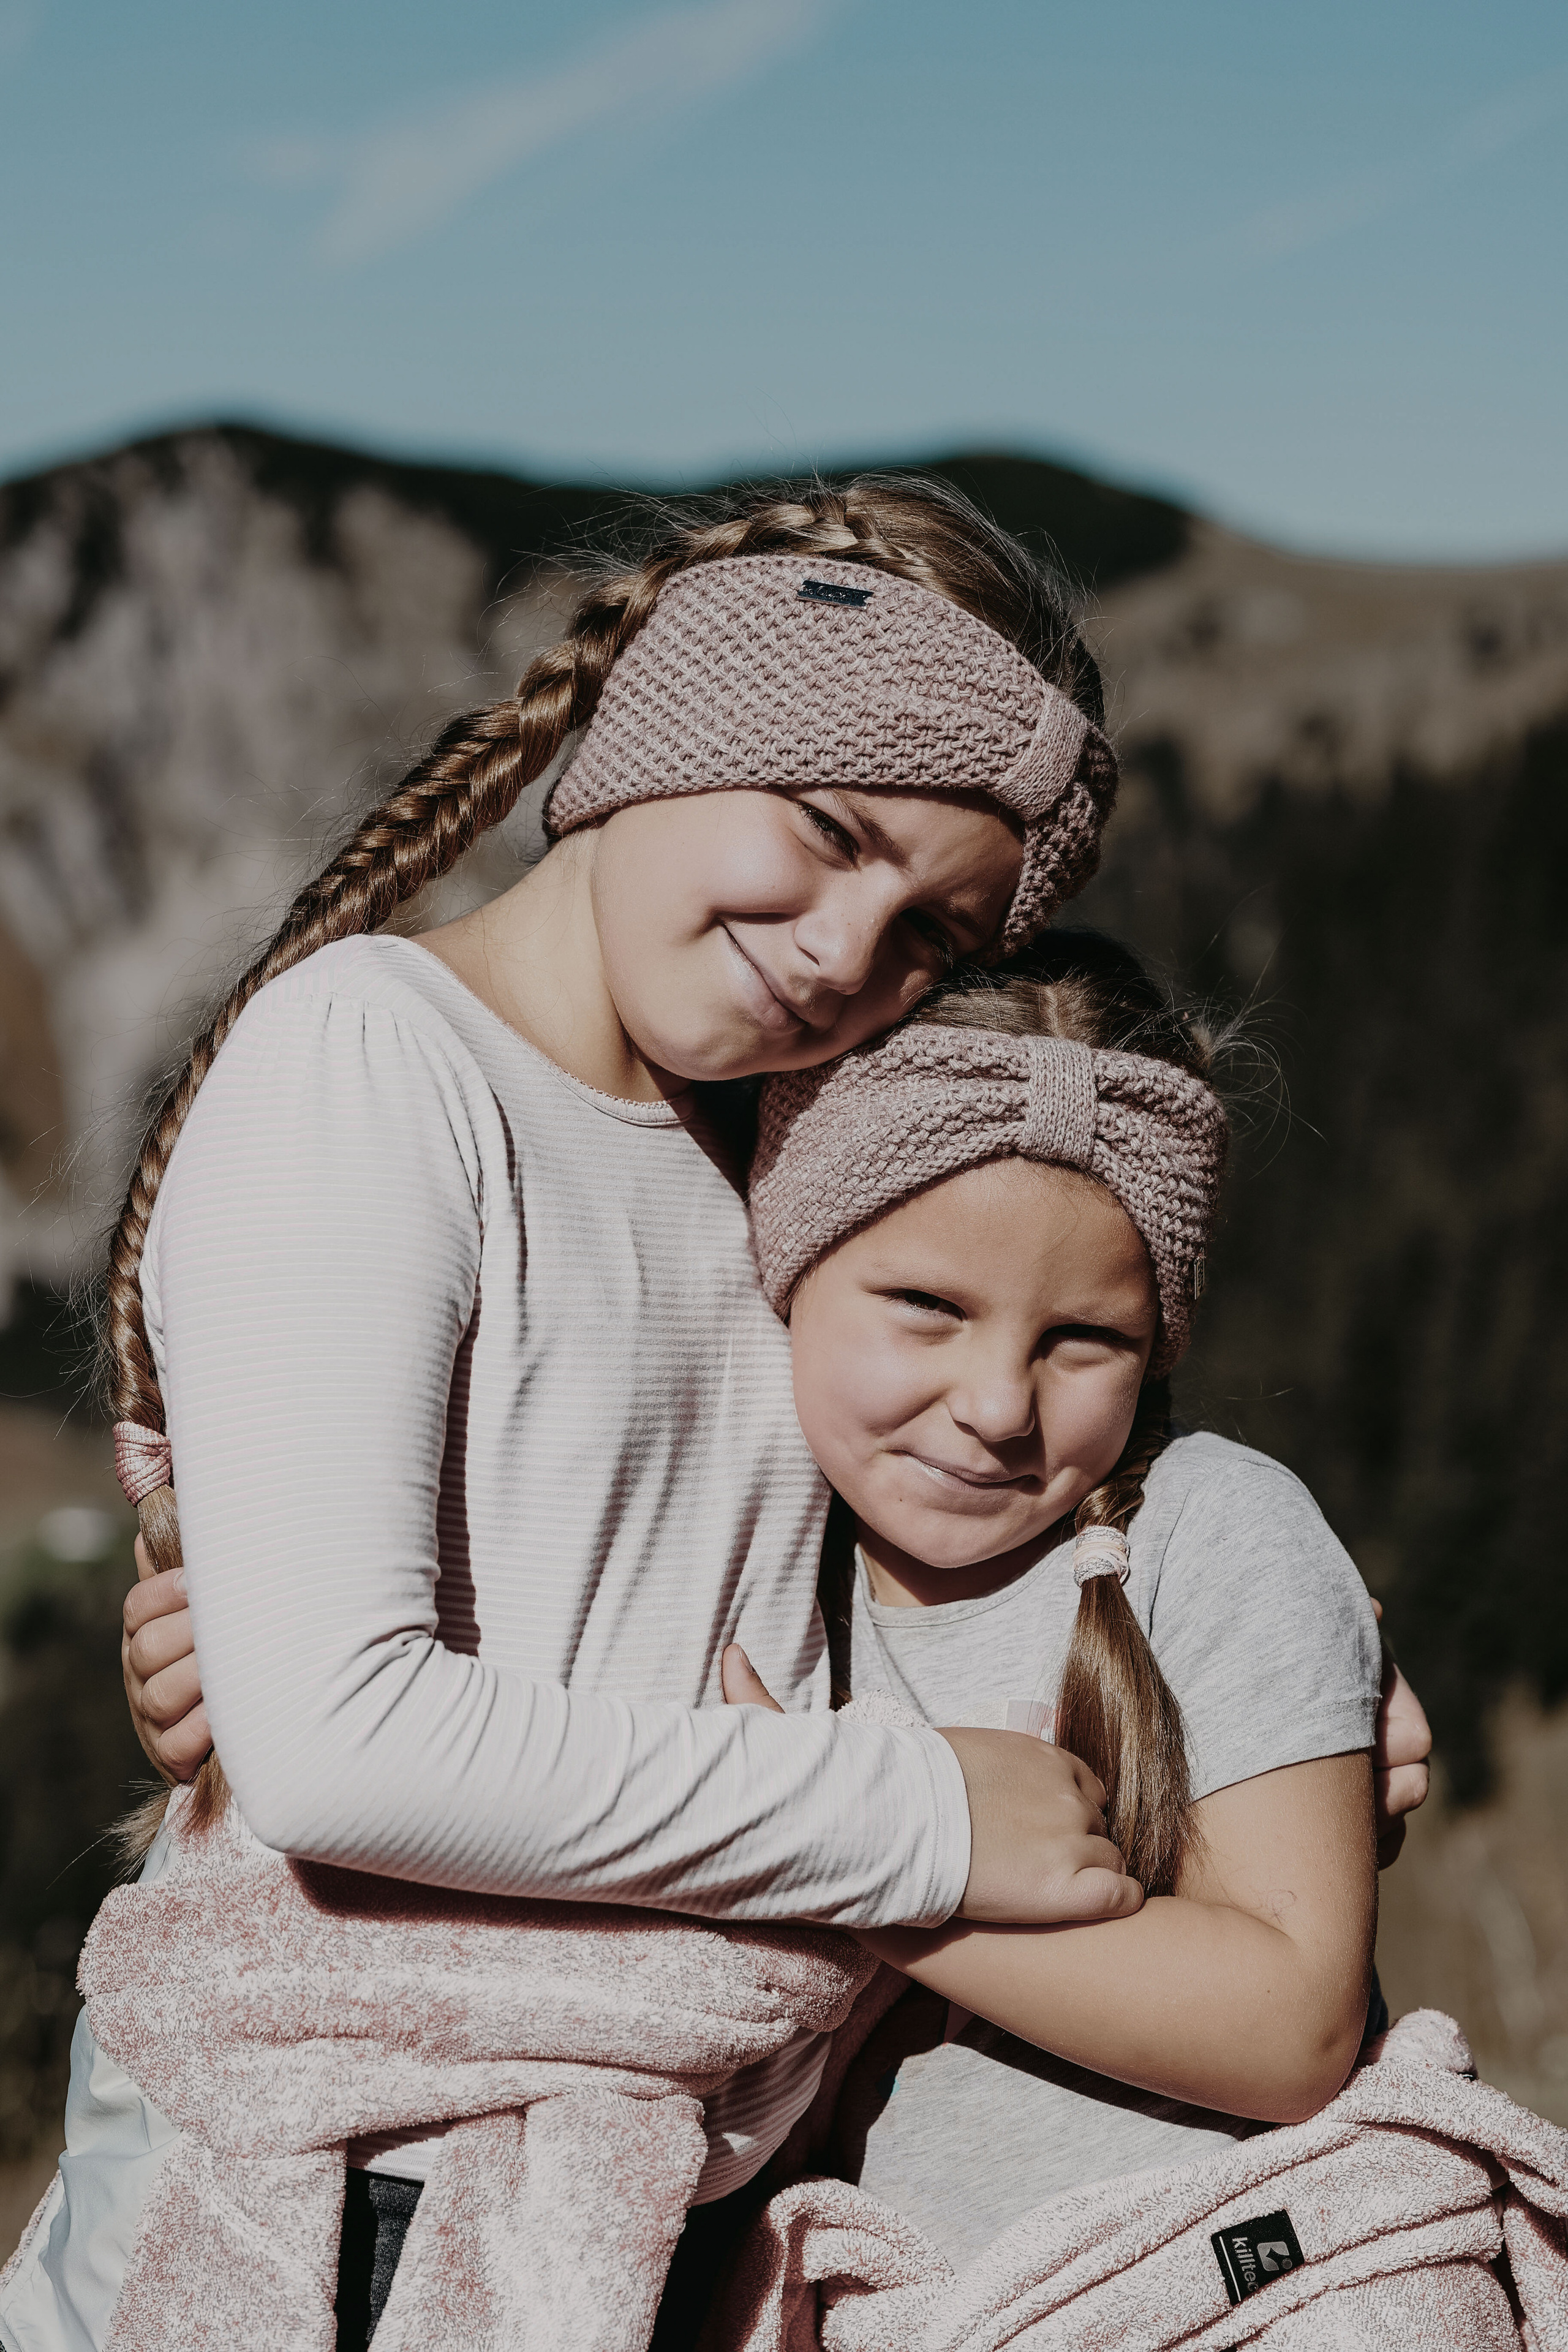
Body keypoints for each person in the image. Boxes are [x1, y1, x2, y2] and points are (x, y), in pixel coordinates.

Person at [1, 478, 1147, 2352]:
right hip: (343, 2186)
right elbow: (342, 1747)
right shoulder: (373, 1060)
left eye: (933, 931)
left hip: (638, 2174)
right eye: (828, 827)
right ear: (667, 732)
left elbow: (945, 1491)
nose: (850, 948)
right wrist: (915, 1812)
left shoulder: (770, 1169)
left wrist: (1248, 1683)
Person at [720, 930, 1414, 2271]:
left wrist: (849, 1855)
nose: (993, 1408)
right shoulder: (731, 1546)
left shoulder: (1207, 1528)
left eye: (1080, 1339)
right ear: (787, 1267)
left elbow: (1292, 2031)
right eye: (923, 1305)